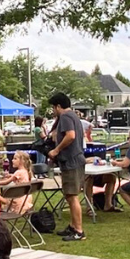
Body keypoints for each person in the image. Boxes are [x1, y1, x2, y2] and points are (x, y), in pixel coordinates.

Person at [48, 92, 86, 241]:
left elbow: (70, 136)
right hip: (76, 159)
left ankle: (79, 231)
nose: (52, 111)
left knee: (72, 196)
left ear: (58, 106)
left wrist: (56, 150)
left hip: (71, 161)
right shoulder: (74, 116)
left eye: (53, 107)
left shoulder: (65, 117)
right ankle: (72, 226)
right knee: (70, 195)